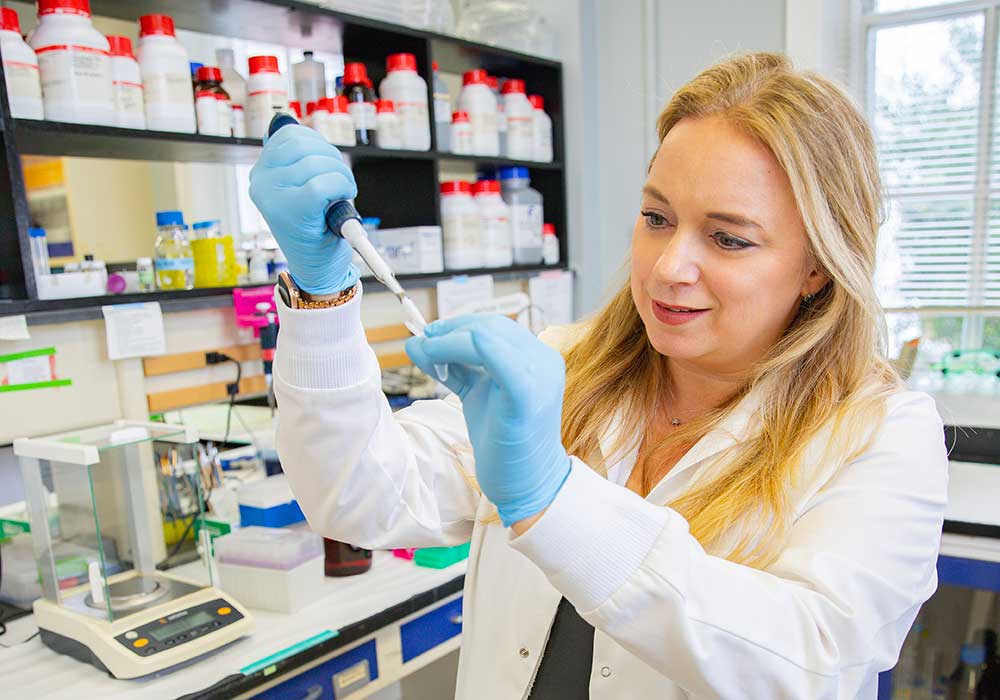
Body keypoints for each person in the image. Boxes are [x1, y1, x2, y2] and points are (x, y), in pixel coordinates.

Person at [249, 52, 948, 699]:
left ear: (819, 264)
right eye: (657, 218)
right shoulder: (565, 362)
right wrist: (321, 294)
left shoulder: (881, 435)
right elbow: (356, 494)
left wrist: (554, 501)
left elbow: (811, 663)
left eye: (728, 238)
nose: (670, 266)